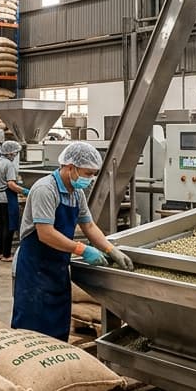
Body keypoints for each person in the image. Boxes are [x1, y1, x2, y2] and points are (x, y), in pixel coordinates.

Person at [12, 141, 133, 340]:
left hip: (57, 268)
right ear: (70, 168)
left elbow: (89, 226)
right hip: (34, 270)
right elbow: (45, 233)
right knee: (31, 330)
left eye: (93, 174)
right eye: (87, 173)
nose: (90, 179)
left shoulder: (76, 193)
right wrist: (82, 249)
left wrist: (111, 250)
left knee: (58, 327)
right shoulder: (45, 189)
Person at [0, 140, 27, 262]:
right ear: (10, 153)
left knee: (1, 226)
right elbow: (11, 184)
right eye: (15, 153)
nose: (16, 155)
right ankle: (7, 255)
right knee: (9, 226)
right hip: (7, 198)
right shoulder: (9, 164)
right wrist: (24, 191)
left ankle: (0, 252)